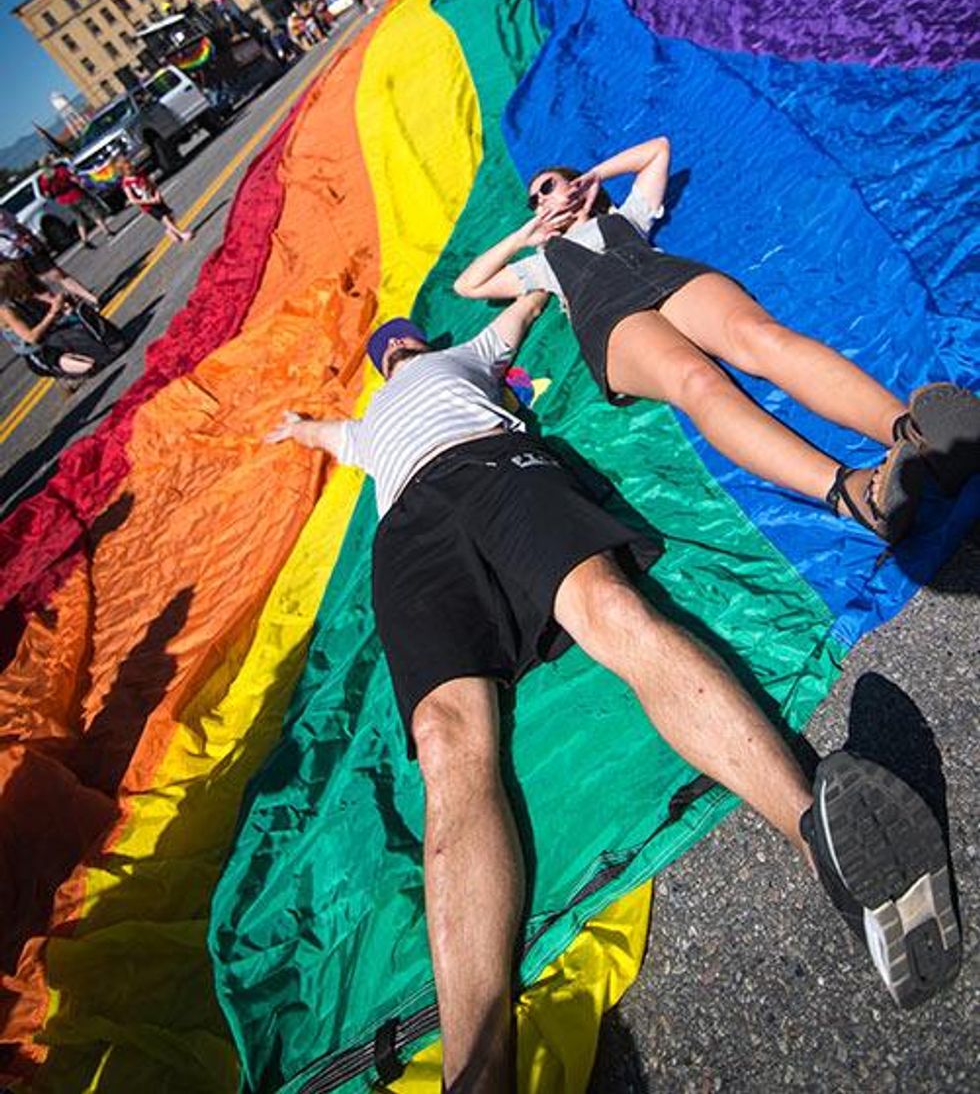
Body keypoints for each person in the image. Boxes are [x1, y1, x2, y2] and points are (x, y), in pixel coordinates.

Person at [265, 299, 961, 1092]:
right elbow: (328, 436)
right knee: (443, 735)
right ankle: (477, 1074)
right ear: (379, 364)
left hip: (493, 464)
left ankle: (825, 842)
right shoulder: (365, 423)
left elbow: (519, 313)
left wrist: (536, 274)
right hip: (411, 526)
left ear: (419, 342)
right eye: (389, 349)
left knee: (612, 609)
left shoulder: (466, 355)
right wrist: (297, 427)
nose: (398, 351)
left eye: (402, 342)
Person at [453, 137, 980, 543]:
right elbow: (469, 284)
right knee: (696, 382)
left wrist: (590, 178)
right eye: (535, 197)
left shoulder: (624, 218)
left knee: (759, 337)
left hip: (667, 275)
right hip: (607, 316)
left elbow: (658, 149)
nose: (543, 196)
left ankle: (919, 438)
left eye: (551, 185)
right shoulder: (542, 265)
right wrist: (529, 234)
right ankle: (856, 495)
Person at [0, 258, 124, 379]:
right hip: (40, 352)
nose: (25, 273)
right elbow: (31, 338)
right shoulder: (6, 310)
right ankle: (64, 371)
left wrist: (64, 304)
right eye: (19, 272)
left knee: (84, 328)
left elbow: (52, 309)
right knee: (90, 365)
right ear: (11, 280)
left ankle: (93, 350)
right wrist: (53, 312)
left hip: (54, 337)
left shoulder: (24, 294)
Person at [0, 206, 99, 306]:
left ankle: (92, 299)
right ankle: (67, 309)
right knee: (37, 291)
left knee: (56, 274)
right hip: (10, 261)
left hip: (27, 250)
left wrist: (33, 239)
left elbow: (17, 226)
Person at [38, 155, 110, 247]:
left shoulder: (43, 179)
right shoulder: (60, 170)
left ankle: (84, 239)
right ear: (50, 163)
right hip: (74, 194)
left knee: (78, 218)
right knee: (92, 212)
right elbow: (73, 178)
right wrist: (81, 183)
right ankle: (106, 231)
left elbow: (47, 193)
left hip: (63, 200)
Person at [117, 159, 192, 244]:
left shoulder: (140, 174)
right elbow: (133, 200)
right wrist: (150, 201)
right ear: (123, 172)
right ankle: (181, 234)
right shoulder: (126, 183)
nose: (132, 169)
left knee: (170, 216)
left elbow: (152, 184)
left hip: (156, 199)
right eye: (129, 169)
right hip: (148, 206)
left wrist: (157, 194)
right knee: (165, 218)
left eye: (132, 166)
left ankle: (170, 231)